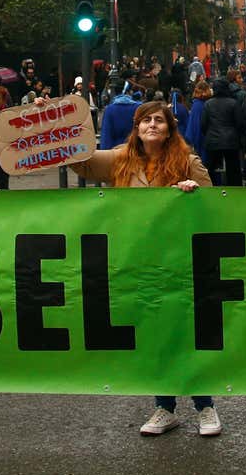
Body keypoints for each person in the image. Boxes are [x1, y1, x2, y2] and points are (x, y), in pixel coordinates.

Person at [66, 101, 220, 436]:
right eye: (146, 120)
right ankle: (164, 408)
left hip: (179, 263)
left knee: (187, 336)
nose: (152, 125)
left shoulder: (187, 162)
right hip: (138, 263)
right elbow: (80, 162)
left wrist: (191, 194)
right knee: (155, 337)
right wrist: (51, 121)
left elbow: (215, 205)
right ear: (137, 127)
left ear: (169, 128)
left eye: (159, 121)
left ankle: (205, 407)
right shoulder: (120, 159)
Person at [201, 78, 246, 186]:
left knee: (210, 169)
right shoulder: (233, 103)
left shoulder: (208, 104)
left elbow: (203, 124)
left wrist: (208, 134)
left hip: (213, 140)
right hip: (231, 140)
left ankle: (210, 187)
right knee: (234, 169)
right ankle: (235, 190)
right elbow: (240, 123)